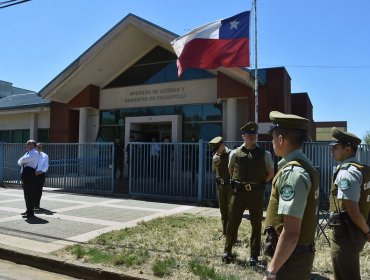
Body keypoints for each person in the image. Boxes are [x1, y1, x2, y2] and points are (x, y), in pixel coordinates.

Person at [263, 111, 319, 280]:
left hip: (290, 260)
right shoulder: (305, 166)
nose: (272, 142)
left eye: (273, 138)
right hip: (292, 256)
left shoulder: (293, 174)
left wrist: (271, 272)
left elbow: (291, 233)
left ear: (280, 139)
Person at [223, 121, 274, 265]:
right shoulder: (235, 153)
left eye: (254, 134)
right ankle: (227, 251)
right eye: (249, 134)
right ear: (243, 136)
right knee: (232, 222)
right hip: (238, 193)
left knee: (256, 224)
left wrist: (259, 182)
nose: (252, 137)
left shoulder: (265, 154)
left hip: (256, 193)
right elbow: (231, 170)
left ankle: (254, 255)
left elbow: (270, 172)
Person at [329, 127, 370, 280]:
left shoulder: (347, 172)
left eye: (335, 147)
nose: (332, 150)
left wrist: (367, 232)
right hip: (355, 232)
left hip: (347, 235)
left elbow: (352, 209)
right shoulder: (363, 169)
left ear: (348, 149)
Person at [209, 136, 233, 236]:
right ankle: (225, 232)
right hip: (220, 187)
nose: (216, 152)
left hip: (230, 186)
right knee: (223, 210)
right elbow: (214, 170)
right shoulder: (215, 157)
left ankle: (232, 234)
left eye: (217, 149)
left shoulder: (231, 154)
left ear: (222, 145)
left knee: (232, 211)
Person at [17, 140, 40, 219]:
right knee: (26, 194)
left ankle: (31, 212)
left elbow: (23, 160)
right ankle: (28, 210)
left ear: (33, 145)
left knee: (30, 194)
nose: (26, 145)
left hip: (30, 173)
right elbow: (19, 161)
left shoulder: (35, 153)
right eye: (26, 144)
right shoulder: (28, 153)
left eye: (28, 144)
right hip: (26, 174)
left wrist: (23, 161)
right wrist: (22, 161)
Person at [34, 143, 49, 210]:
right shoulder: (32, 154)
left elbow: (46, 166)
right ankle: (31, 205)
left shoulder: (45, 155)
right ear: (35, 147)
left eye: (40, 147)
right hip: (32, 174)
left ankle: (37, 205)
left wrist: (39, 172)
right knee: (31, 190)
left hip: (41, 174)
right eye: (38, 147)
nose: (39, 148)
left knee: (39, 190)